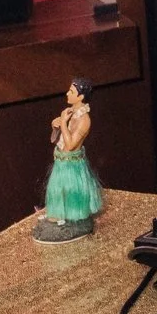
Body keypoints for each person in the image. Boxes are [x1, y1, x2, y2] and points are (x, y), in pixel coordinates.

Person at [35, 78, 102, 242]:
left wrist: (64, 124)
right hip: (61, 160)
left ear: (80, 96)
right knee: (57, 191)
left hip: (72, 164)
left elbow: (71, 145)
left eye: (71, 91)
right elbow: (58, 139)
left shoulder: (84, 120)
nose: (67, 93)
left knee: (70, 192)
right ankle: (58, 216)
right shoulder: (70, 112)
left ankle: (73, 218)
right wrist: (56, 126)